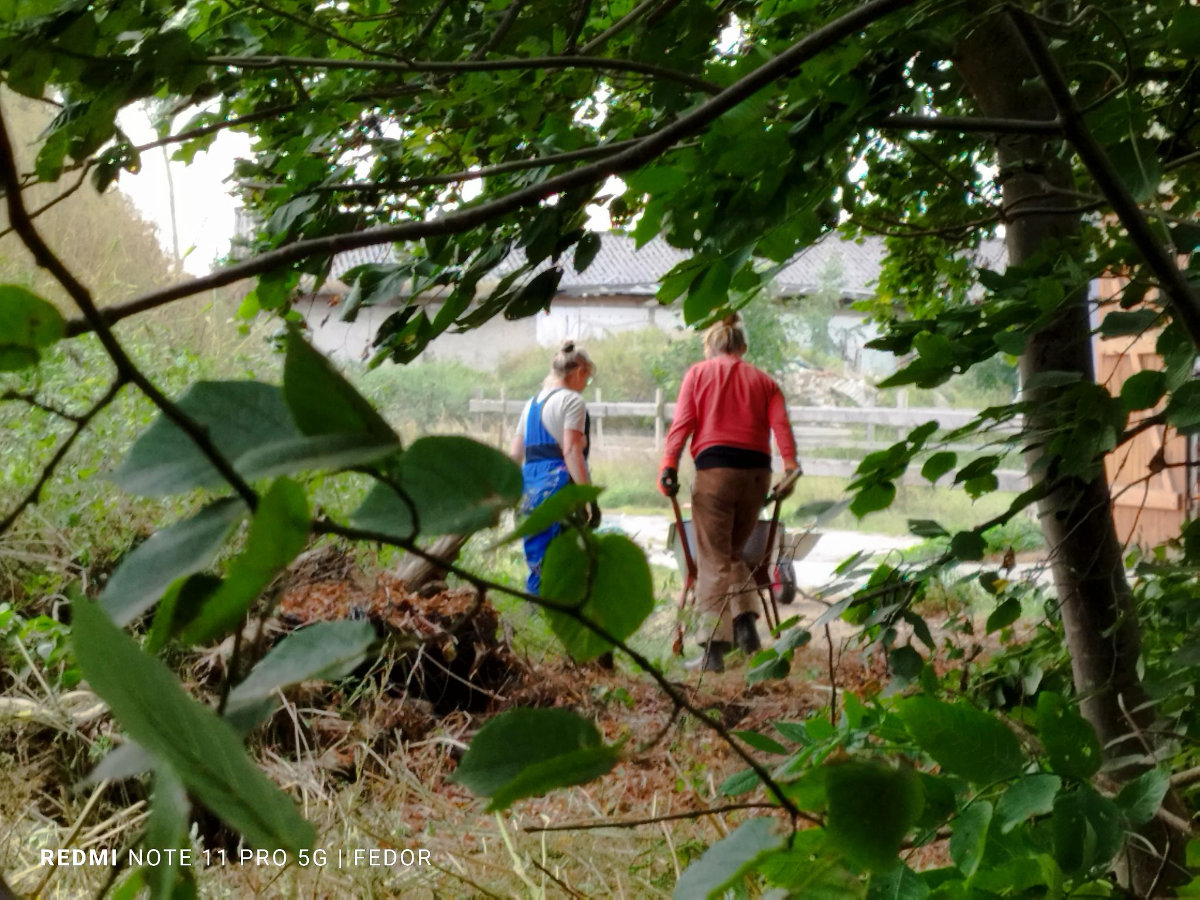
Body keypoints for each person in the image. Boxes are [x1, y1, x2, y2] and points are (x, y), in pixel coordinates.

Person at [658, 314, 799, 672]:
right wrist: (790, 466)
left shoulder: (698, 374)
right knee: (732, 554)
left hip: (716, 473)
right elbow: (780, 425)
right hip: (757, 475)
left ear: (710, 347)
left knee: (713, 561)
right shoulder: (765, 382)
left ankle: (712, 650)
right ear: (743, 347)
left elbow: (682, 425)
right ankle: (747, 628)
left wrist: (668, 466)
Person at [511, 340, 601, 595]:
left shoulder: (530, 404)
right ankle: (557, 614)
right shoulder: (572, 401)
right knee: (565, 563)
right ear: (580, 371)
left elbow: (516, 454)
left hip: (529, 487)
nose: (585, 384)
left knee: (539, 562)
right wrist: (589, 497)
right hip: (557, 486)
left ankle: (535, 612)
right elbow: (571, 452)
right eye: (587, 378)